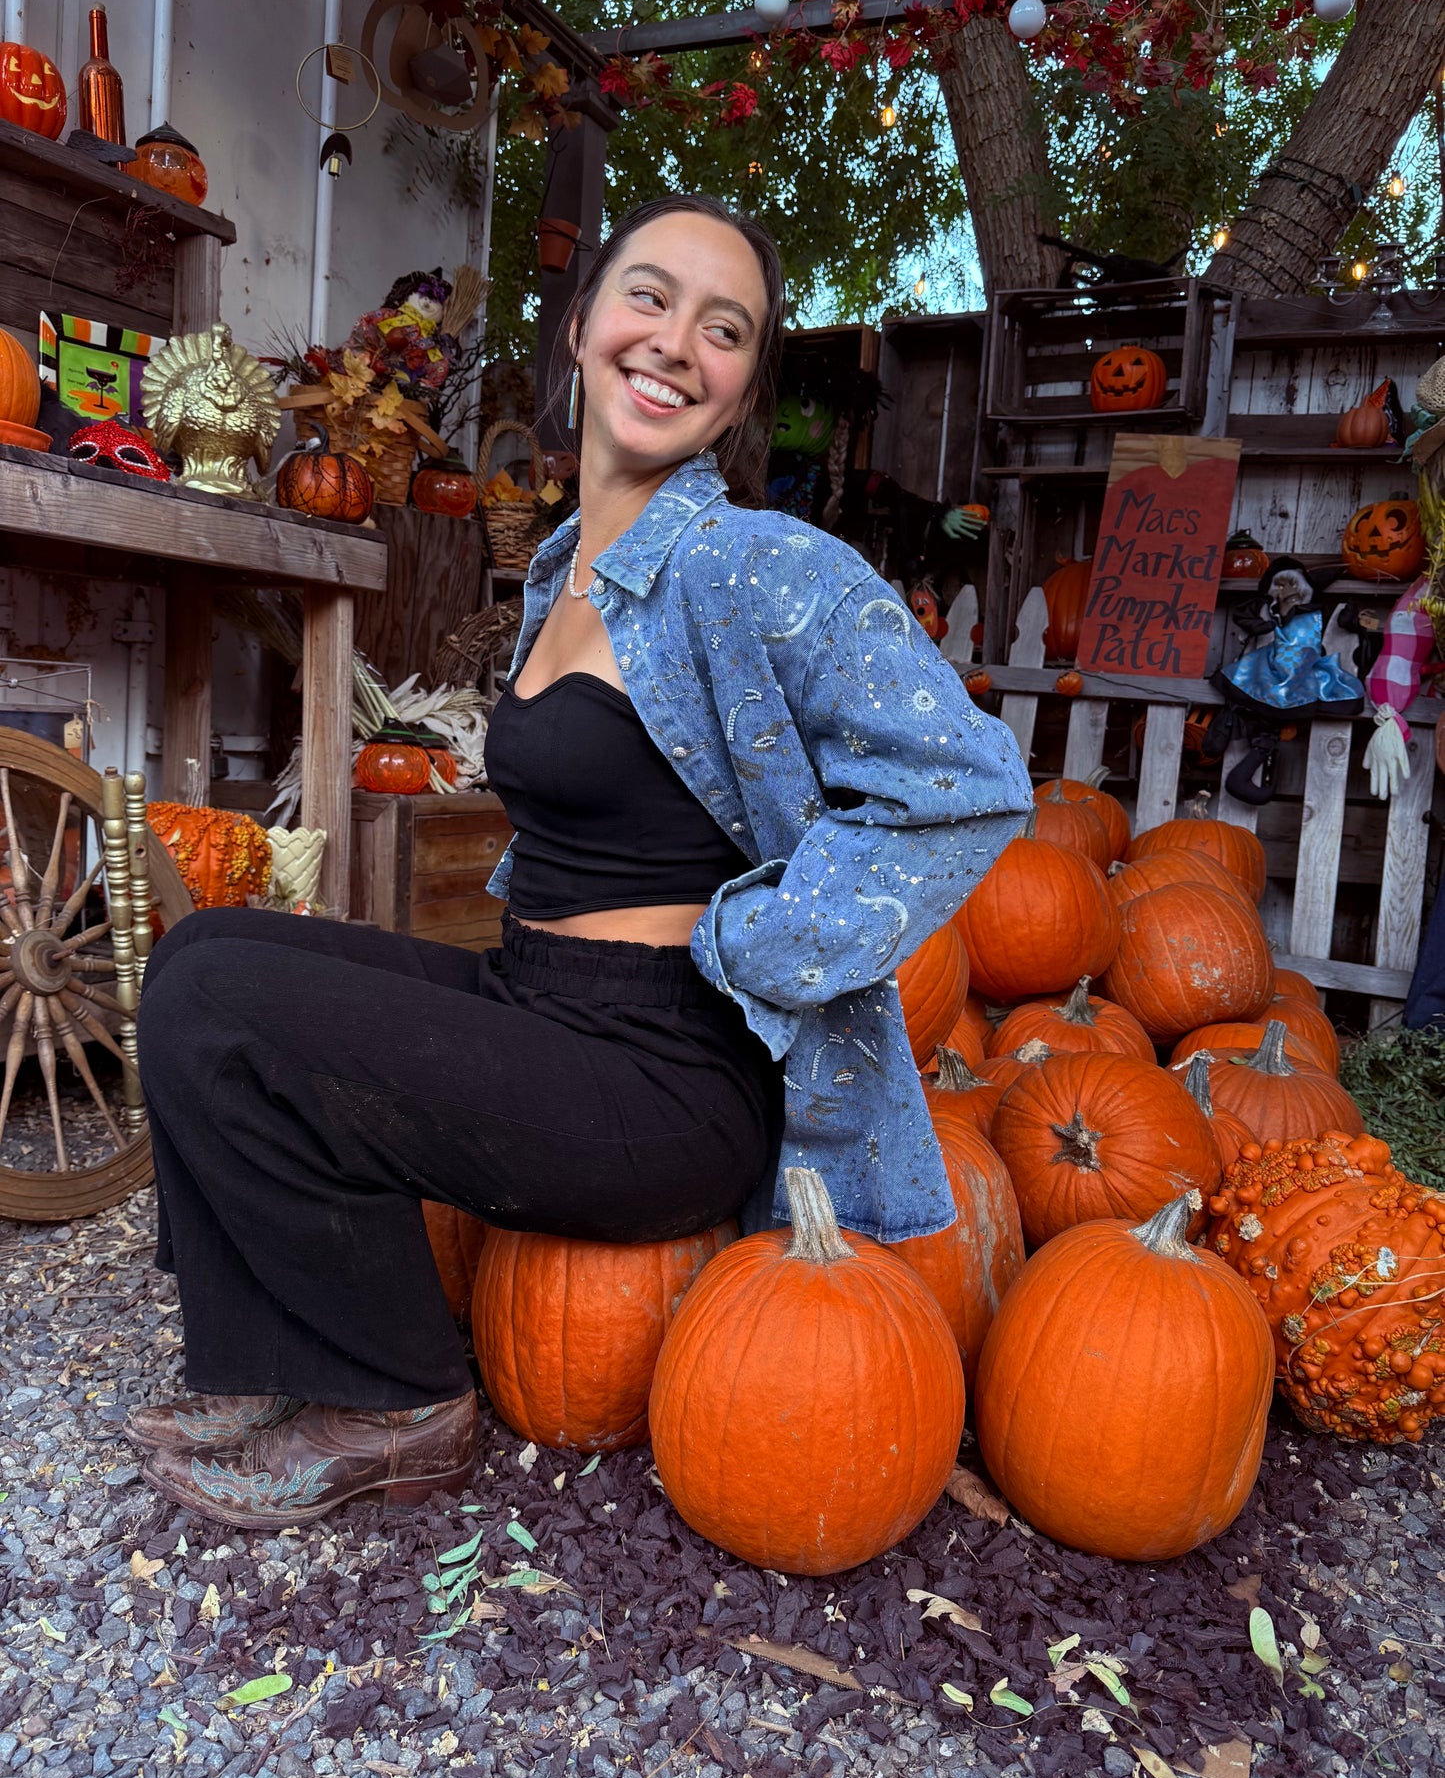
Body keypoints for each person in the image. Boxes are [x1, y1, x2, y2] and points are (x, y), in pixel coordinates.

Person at [130, 193, 1031, 1529]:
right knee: (206, 949)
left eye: (722, 330)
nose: (675, 342)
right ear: (582, 327)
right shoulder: (570, 565)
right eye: (650, 298)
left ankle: (395, 1396)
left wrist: (760, 947)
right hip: (540, 1003)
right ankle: (273, 1354)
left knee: (218, 1006)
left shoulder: (752, 564)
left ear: (736, 399)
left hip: (659, 1076)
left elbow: (967, 783)